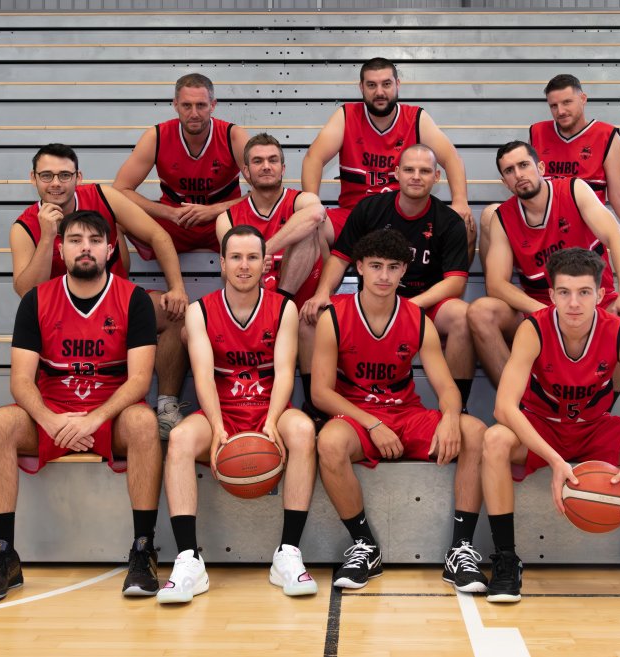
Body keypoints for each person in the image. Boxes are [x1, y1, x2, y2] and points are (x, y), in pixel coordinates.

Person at [480, 247, 620, 603]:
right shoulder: (533, 329)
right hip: (544, 426)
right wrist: (555, 460)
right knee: (494, 439)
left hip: (595, 427)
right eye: (564, 292)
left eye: (584, 292)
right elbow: (504, 407)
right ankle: (506, 559)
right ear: (551, 295)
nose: (574, 303)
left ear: (600, 295)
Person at [0, 210, 162, 601]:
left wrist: (94, 419)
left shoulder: (134, 299)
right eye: (76, 240)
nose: (85, 248)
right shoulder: (37, 299)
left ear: (110, 249)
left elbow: (140, 379)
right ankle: (3, 555)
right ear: (61, 249)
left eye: (95, 241)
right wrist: (51, 420)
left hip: (110, 414)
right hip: (53, 412)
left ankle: (143, 551)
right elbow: (21, 380)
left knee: (145, 423)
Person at [312, 228, 488, 593]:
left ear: (404, 270)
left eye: (393, 267)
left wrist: (451, 418)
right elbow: (320, 393)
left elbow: (446, 388)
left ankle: (460, 550)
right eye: (376, 266)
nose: (384, 275)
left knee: (475, 432)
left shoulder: (418, 319)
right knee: (328, 443)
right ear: (359, 267)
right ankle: (364, 546)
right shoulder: (335, 317)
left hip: (406, 414)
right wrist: (372, 423)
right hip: (358, 415)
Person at [157, 225, 318, 604]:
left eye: (252, 257)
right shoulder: (199, 311)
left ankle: (288, 554)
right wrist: (216, 427)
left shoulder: (284, 308)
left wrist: (271, 421)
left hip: (268, 407)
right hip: (223, 408)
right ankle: (189, 560)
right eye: (236, 257)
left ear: (265, 263)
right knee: (179, 438)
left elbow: (285, 372)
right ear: (222, 264)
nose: (244, 265)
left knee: (303, 430)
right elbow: (202, 375)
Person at [12, 143, 190, 438]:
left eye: (64, 175)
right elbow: (27, 293)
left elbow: (157, 234)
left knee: (178, 313)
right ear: (33, 178)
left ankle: (167, 406)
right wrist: (47, 238)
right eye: (46, 175)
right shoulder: (23, 227)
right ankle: (56, 408)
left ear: (78, 177)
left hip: (118, 305)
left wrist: (177, 287)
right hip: (64, 318)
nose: (56, 183)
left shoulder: (103, 196)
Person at [301, 144, 478, 421]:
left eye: (424, 171)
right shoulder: (370, 208)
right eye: (409, 169)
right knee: (312, 316)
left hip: (423, 304)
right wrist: (322, 292)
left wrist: (409, 307)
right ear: (396, 173)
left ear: (437, 176)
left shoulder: (448, 221)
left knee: (462, 316)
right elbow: (340, 257)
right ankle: (319, 409)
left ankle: (458, 408)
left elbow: (455, 283)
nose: (416, 176)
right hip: (372, 302)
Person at [467, 141, 620, 387]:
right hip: (541, 307)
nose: (518, 174)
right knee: (480, 312)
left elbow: (617, 236)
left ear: (540, 167)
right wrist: (548, 312)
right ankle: (520, 401)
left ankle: (602, 406)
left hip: (592, 301)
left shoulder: (574, 190)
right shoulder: (503, 218)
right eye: (509, 171)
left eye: (524, 165)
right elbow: (496, 285)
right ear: (504, 182)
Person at [478, 74, 620, 258]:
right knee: (489, 216)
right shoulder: (538, 132)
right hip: (542, 219)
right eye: (553, 106)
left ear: (583, 99)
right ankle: (497, 280)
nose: (560, 111)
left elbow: (618, 193)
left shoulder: (606, 135)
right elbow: (527, 183)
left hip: (581, 222)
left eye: (567, 102)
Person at [301, 57, 475, 255]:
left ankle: (448, 277)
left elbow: (451, 158)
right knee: (309, 226)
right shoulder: (346, 115)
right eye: (371, 85)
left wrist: (460, 201)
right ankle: (328, 277)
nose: (379, 92)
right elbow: (313, 158)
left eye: (386, 84)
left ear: (397, 84)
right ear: (361, 87)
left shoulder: (415, 118)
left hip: (405, 215)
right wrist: (312, 203)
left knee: (465, 227)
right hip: (354, 215)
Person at [113, 73, 249, 254]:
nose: (194, 114)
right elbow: (120, 189)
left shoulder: (233, 136)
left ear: (213, 105)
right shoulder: (157, 136)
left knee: (268, 217)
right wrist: (169, 212)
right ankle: (122, 275)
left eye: (201, 105)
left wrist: (214, 210)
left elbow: (265, 192)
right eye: (186, 105)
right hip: (175, 221)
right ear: (175, 105)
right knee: (113, 219)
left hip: (223, 220)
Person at [216, 133, 332, 308]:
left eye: (273, 160)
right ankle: (276, 309)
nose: (266, 166)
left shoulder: (301, 201)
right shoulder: (227, 219)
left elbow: (316, 213)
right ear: (246, 171)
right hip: (258, 303)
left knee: (309, 230)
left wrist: (260, 252)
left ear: (282, 169)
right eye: (257, 161)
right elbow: (226, 275)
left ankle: (281, 306)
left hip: (304, 304)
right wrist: (253, 265)